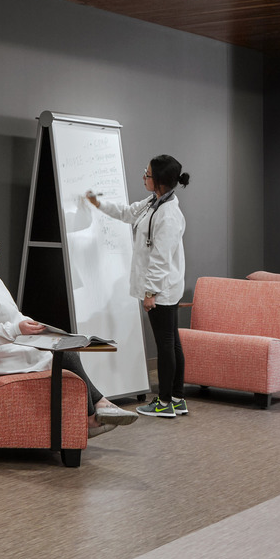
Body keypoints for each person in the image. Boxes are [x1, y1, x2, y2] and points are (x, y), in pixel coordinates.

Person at [0, 227, 137, 437]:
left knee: (64, 342)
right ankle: (94, 413)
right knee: (65, 354)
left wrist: (30, 325)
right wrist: (17, 329)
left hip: (10, 341)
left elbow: (12, 313)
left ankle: (100, 405)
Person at [86, 154, 189, 419]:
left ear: (160, 182)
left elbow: (160, 258)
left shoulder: (168, 214)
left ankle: (164, 402)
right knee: (172, 342)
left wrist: (150, 293)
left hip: (162, 289)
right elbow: (127, 212)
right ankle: (177, 398)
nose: (143, 176)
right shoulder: (153, 203)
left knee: (165, 344)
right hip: (164, 287)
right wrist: (98, 203)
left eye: (147, 173)